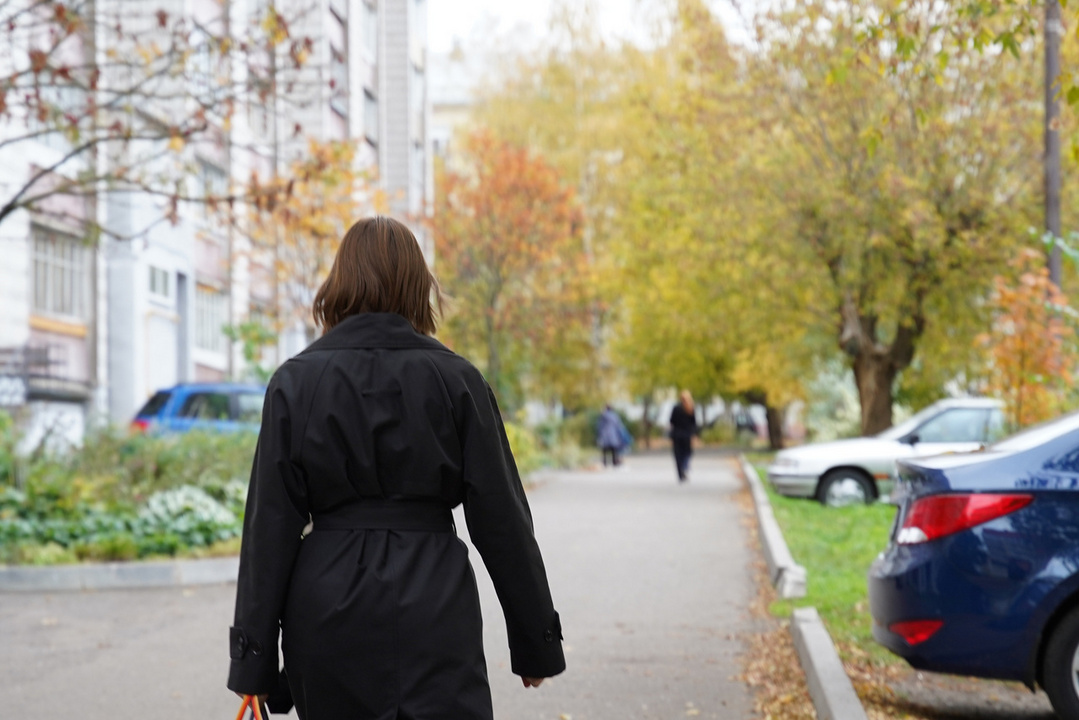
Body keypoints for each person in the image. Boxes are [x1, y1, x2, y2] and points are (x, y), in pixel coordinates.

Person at [227, 217, 565, 720]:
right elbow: (502, 519)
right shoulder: (457, 379)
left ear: (339, 281)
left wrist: (252, 662)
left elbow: (269, 528)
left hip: (326, 604)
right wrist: (537, 643)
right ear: (417, 285)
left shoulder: (295, 382)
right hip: (434, 600)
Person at [669, 389, 699, 482]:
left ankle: (680, 473)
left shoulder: (676, 408)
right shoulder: (691, 409)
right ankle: (685, 466)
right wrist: (694, 434)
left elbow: (671, 421)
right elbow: (694, 423)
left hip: (677, 434)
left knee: (678, 455)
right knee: (687, 453)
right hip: (687, 435)